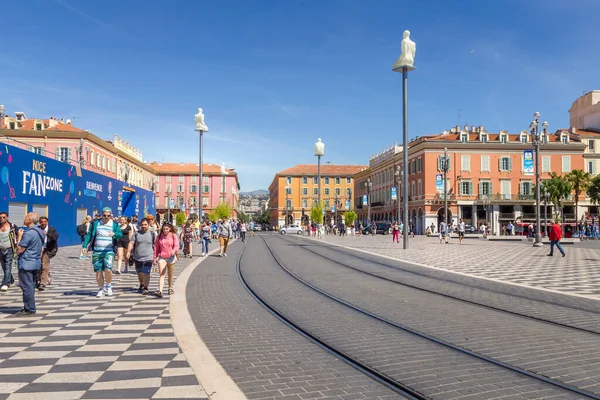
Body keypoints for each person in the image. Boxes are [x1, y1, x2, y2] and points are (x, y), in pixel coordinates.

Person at [82, 207, 123, 298]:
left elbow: (120, 235)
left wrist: (115, 234)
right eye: (104, 215)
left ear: (111, 215)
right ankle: (101, 289)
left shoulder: (114, 224)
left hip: (109, 251)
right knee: (98, 271)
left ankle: (108, 286)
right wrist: (85, 246)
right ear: (102, 214)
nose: (106, 217)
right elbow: (89, 234)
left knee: (108, 268)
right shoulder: (96, 223)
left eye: (108, 216)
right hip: (97, 251)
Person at [15, 213, 44, 315]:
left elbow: (20, 249)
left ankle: (29, 309)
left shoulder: (29, 233)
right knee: (30, 286)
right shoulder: (40, 231)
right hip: (35, 262)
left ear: (30, 220)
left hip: (26, 263)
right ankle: (29, 307)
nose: (24, 218)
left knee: (27, 286)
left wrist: (19, 237)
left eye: (26, 217)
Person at [127, 218, 155, 295]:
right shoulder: (136, 234)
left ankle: (146, 287)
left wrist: (156, 256)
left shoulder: (152, 234)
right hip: (137, 257)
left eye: (145, 225)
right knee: (140, 273)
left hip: (149, 256)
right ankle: (142, 283)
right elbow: (131, 243)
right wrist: (128, 252)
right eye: (142, 225)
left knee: (146, 272)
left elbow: (156, 245)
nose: (143, 226)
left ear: (149, 225)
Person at [153, 223, 179, 297]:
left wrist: (173, 251)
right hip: (162, 257)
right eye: (164, 229)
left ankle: (170, 287)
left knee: (170, 274)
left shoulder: (173, 235)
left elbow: (176, 245)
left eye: (167, 229)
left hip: (171, 257)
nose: (165, 231)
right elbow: (156, 248)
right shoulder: (159, 237)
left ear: (170, 229)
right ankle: (160, 290)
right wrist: (155, 258)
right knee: (161, 273)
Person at [38, 216, 58, 291]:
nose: (43, 223)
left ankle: (43, 283)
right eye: (41, 222)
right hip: (38, 250)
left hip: (48, 250)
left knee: (44, 266)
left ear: (47, 222)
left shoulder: (51, 229)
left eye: (44, 221)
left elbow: (55, 238)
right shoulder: (37, 229)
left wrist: (47, 234)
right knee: (38, 266)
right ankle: (47, 276)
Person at [0, 211, 18, 292]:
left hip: (9, 249)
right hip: (1, 249)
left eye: (4, 217)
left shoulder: (12, 227)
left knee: (8, 266)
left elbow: (18, 236)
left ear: (7, 218)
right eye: (0, 217)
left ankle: (5, 283)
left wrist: (17, 247)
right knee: (4, 267)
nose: (2, 219)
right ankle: (11, 280)